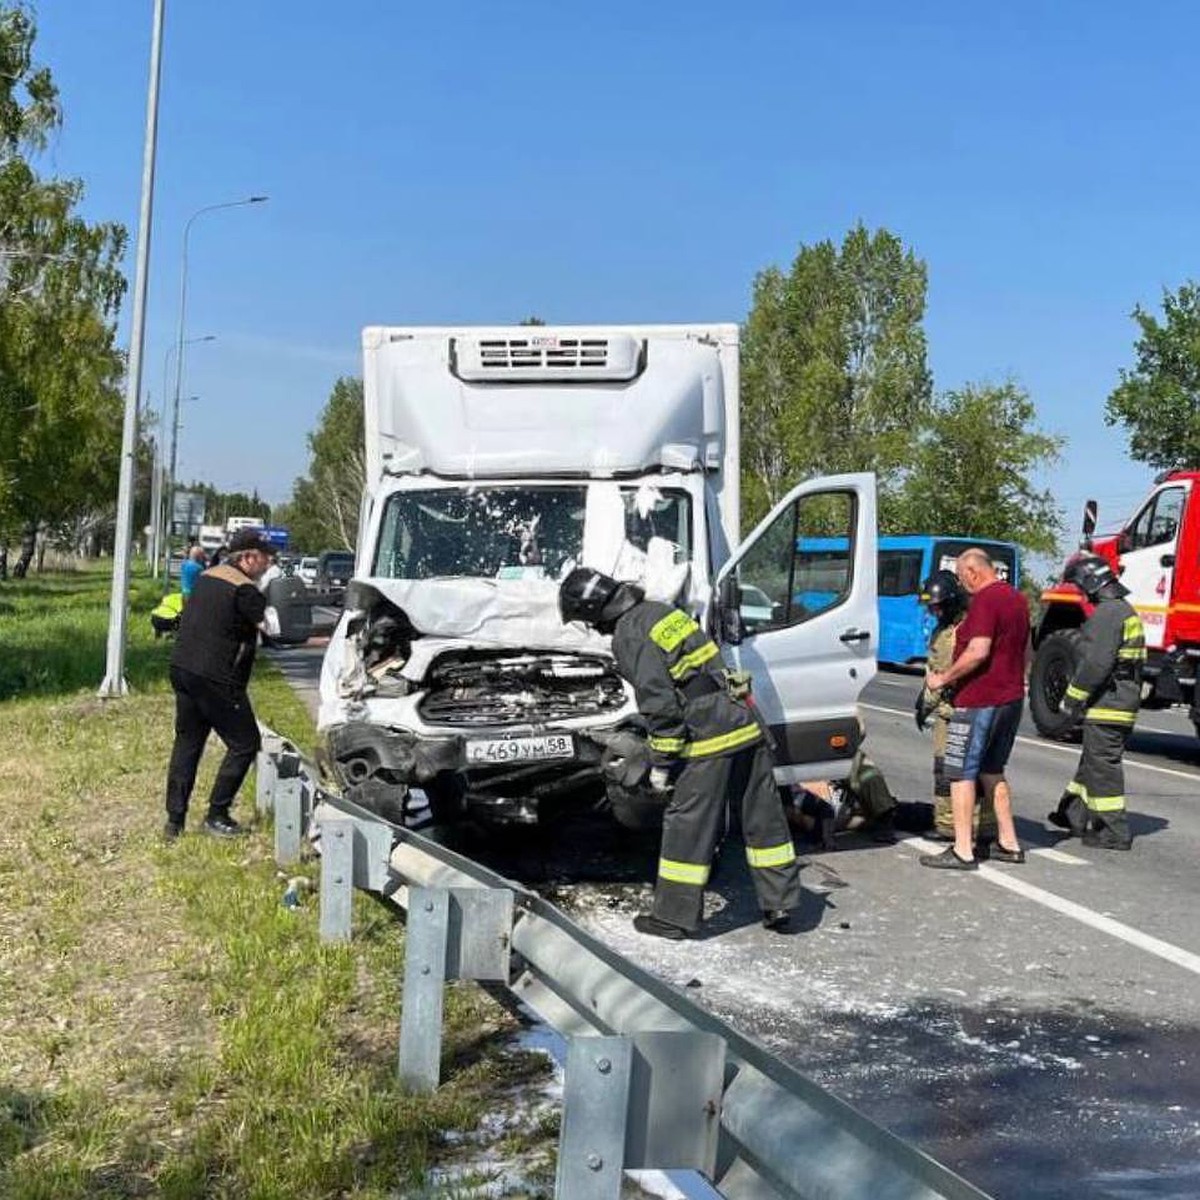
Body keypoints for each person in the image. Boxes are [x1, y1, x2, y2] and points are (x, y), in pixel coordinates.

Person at [558, 566, 801, 939]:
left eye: (587, 621)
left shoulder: (630, 632)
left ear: (593, 611)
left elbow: (661, 705)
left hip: (707, 736)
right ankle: (780, 904)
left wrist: (662, 763)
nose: (593, 629)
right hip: (742, 722)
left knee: (687, 824)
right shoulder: (662, 612)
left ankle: (673, 918)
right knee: (763, 818)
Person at [163, 529, 279, 840]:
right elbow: (273, 630)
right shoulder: (244, 590)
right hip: (217, 676)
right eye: (266, 557)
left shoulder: (207, 576)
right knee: (244, 743)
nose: (269, 563)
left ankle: (174, 822)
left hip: (183, 667)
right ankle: (217, 814)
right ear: (248, 557)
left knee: (187, 743)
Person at [920, 548, 1029, 870]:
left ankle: (963, 849)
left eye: (961, 575)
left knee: (960, 773)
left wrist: (943, 679)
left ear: (972, 571)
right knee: (992, 770)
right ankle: (1009, 843)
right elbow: (1027, 651)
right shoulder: (1017, 599)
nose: (961, 583)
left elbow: (978, 651)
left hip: (979, 700)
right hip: (1010, 700)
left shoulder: (984, 600)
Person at [1048, 553, 1144, 850]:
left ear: (1092, 583)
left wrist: (1071, 699)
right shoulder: (1123, 610)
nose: (1080, 592)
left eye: (1080, 586)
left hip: (1109, 705)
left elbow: (1095, 665)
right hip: (1120, 701)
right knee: (1093, 759)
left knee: (1103, 766)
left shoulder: (1106, 615)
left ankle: (1114, 830)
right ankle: (1072, 814)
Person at [915, 570, 997, 849]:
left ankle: (951, 825)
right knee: (975, 769)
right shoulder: (956, 627)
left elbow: (944, 672)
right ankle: (982, 825)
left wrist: (926, 703)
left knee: (950, 771)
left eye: (937, 606)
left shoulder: (957, 632)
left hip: (954, 710)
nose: (933, 611)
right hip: (961, 707)